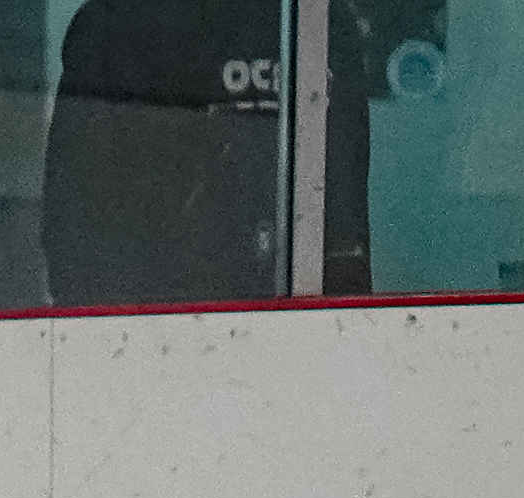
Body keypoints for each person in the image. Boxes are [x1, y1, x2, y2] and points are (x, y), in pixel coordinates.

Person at [41, 0, 378, 306]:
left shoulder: (319, 20)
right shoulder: (112, 24)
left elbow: (345, 226)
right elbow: (75, 228)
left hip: (295, 328)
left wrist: (341, 329)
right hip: (153, 328)